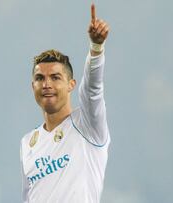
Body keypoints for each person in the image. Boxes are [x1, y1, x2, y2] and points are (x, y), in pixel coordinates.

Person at [20, 3, 110, 203]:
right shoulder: (28, 143)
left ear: (71, 85)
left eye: (55, 77)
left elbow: (93, 89)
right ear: (32, 86)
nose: (47, 84)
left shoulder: (88, 125)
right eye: (40, 78)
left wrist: (96, 48)